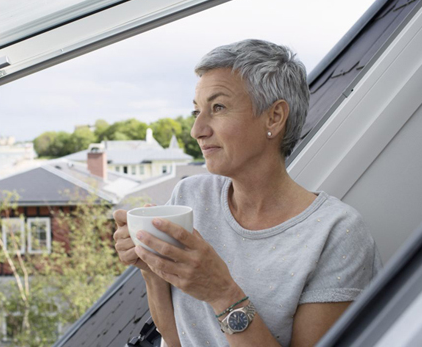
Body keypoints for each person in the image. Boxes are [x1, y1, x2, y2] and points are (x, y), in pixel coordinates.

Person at [113, 39, 382, 347]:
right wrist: (152, 271)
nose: (197, 129)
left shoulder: (337, 234)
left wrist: (221, 293)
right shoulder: (191, 197)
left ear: (274, 117)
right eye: (196, 111)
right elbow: (177, 339)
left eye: (218, 107)